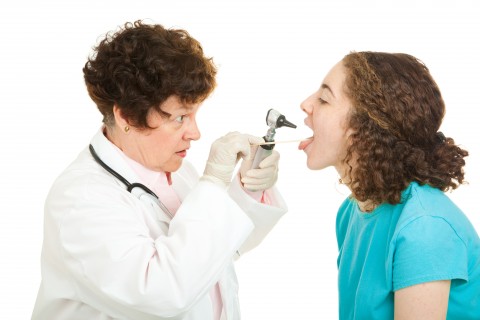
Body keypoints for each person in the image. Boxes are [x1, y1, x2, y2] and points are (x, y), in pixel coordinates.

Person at [32, 20, 287, 320]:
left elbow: (218, 249)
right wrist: (214, 183)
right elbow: (162, 293)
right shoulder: (79, 200)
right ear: (126, 115)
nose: (195, 133)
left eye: (194, 114)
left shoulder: (176, 171)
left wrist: (248, 185)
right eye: (180, 117)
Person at [298, 51, 480, 319]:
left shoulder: (425, 227)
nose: (306, 104)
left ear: (364, 128)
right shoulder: (351, 212)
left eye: (324, 99)